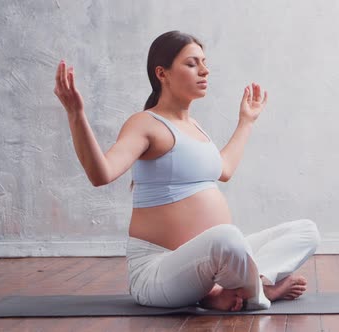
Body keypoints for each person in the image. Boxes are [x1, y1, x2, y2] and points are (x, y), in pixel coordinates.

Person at [53, 30, 320, 311]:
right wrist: (76, 115)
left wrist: (246, 121)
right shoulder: (145, 123)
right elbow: (101, 173)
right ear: (162, 74)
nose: (204, 71)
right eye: (192, 64)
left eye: (204, 63)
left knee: (306, 231)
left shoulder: (195, 128)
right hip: (159, 271)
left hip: (211, 262)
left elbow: (225, 169)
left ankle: (248, 286)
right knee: (227, 237)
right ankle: (258, 293)